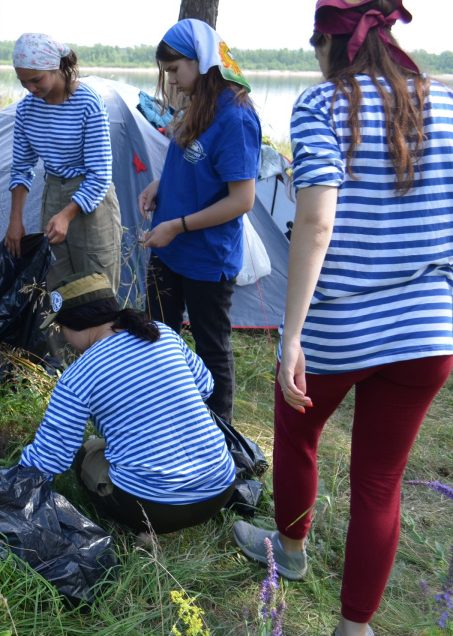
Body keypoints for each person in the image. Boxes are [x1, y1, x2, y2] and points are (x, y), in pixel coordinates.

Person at [232, 2, 453, 635]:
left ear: (331, 47)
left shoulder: (321, 105)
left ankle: (292, 552)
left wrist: (291, 335)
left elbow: (316, 220)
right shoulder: (447, 105)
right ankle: (355, 629)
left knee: (298, 430)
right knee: (380, 483)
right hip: (428, 331)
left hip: (340, 323)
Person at [19, 271, 236, 538]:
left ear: (75, 323)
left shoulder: (79, 374)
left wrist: (13, 486)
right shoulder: (162, 334)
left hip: (156, 509)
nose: (63, 336)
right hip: (220, 488)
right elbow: (206, 386)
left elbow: (50, 455)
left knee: (88, 451)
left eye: (61, 328)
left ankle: (145, 530)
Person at [137, 19, 261, 424]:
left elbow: (241, 199)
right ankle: (164, 421)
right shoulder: (197, 107)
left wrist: (178, 225)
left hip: (206, 257)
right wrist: (159, 184)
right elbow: (194, 168)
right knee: (156, 337)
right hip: (169, 250)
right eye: (167, 72)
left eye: (175, 70)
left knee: (211, 349)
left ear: (202, 61)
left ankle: (221, 437)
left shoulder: (236, 117)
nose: (171, 81)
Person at [3, 33, 121, 294]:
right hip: (53, 193)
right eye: (23, 82)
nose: (31, 89)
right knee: (55, 285)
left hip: (92, 201)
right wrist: (15, 220)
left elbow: (100, 174)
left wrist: (68, 214)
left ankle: (100, 337)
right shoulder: (26, 110)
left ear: (55, 68)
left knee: (95, 285)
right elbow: (21, 168)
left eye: (36, 80)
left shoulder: (88, 102)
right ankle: (58, 337)